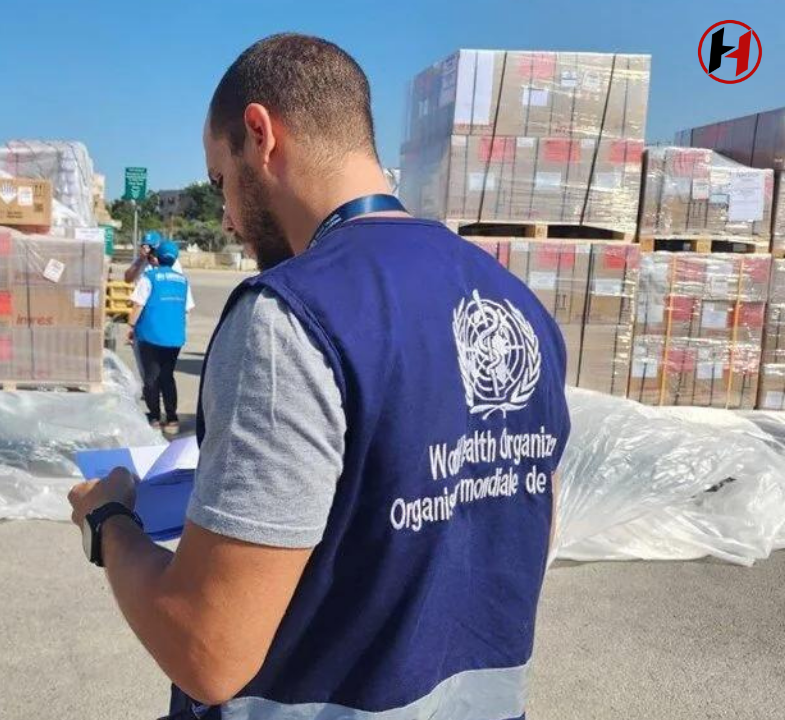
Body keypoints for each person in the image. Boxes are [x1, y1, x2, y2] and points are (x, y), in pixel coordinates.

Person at [68, 33, 570, 720]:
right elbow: (520, 535)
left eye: (221, 182)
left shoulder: (291, 316)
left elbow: (206, 651)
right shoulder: (518, 304)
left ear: (260, 134)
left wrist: (109, 520)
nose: (227, 217)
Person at [129, 240, 193, 434]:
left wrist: (131, 326)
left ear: (157, 257)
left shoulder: (149, 277)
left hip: (150, 334)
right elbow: (187, 309)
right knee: (167, 376)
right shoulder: (183, 281)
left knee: (151, 377)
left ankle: (155, 417)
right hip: (174, 337)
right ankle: (172, 419)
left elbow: (138, 305)